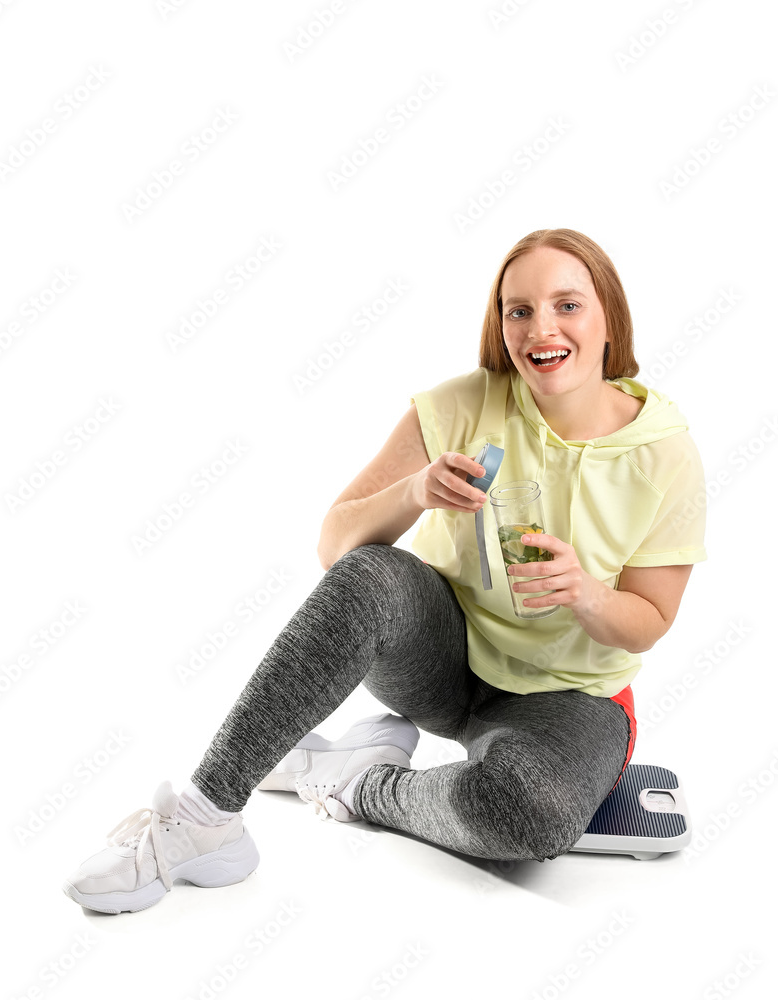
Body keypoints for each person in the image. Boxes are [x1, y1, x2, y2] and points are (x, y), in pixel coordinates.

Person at [63, 228, 708, 914]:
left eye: (567, 305)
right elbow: (336, 549)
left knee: (531, 814)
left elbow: (650, 622)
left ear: (609, 315)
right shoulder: (466, 405)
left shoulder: (664, 454)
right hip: (447, 662)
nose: (540, 328)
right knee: (371, 575)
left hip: (572, 697)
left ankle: (363, 784)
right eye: (518, 310)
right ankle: (204, 818)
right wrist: (414, 493)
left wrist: (585, 595)